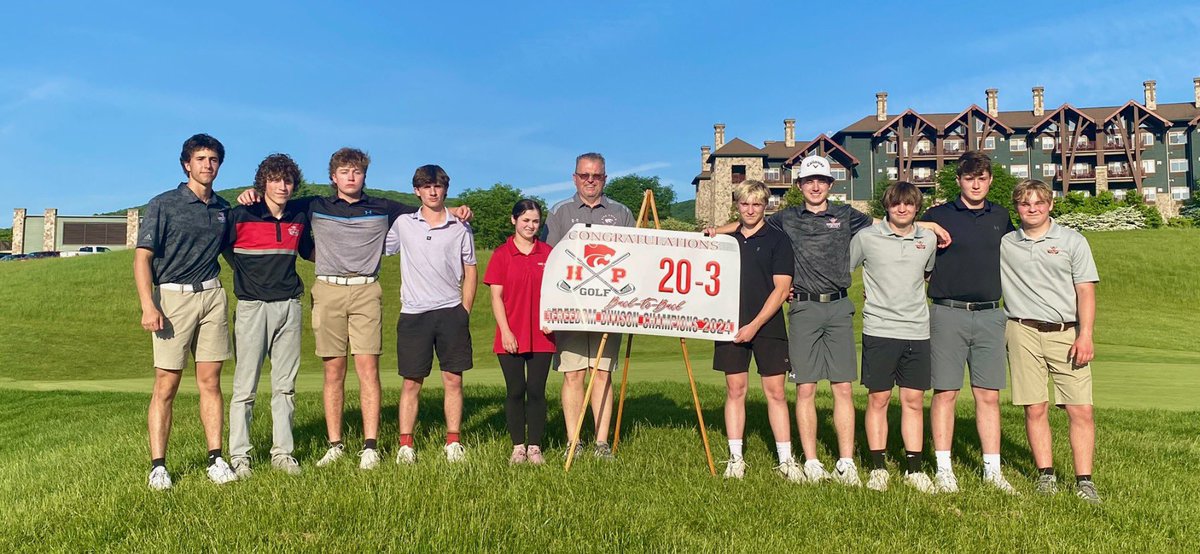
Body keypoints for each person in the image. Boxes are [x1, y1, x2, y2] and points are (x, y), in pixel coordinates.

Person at [708, 156, 950, 485]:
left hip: (838, 307)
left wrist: (928, 226)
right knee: (805, 388)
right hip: (804, 307)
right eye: (809, 181)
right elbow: (749, 223)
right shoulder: (787, 218)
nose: (815, 186)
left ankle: (846, 462)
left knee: (843, 388)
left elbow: (890, 221)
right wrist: (715, 232)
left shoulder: (846, 214)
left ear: (830, 184)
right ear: (799, 185)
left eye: (821, 180)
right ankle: (811, 461)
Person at [236, 148, 472, 470]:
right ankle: (335, 445)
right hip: (328, 290)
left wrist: (456, 209)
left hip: (366, 291)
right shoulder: (314, 205)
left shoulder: (383, 207)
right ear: (333, 177)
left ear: (364, 176)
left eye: (357, 172)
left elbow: (427, 209)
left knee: (367, 370)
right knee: (333, 371)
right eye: (344, 172)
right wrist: (249, 194)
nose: (351, 177)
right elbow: (275, 201)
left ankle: (370, 446)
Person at [136, 133, 236, 490]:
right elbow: (142, 258)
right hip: (172, 299)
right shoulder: (163, 204)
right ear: (186, 164)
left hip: (212, 296)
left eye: (214, 160)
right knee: (167, 383)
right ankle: (158, 467)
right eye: (201, 159)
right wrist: (148, 304)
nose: (208, 165)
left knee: (211, 381)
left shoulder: (223, 208)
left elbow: (232, 253)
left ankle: (216, 458)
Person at [922, 151, 1017, 494]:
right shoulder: (939, 215)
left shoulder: (1001, 215)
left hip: (991, 314)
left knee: (988, 395)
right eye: (969, 179)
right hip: (948, 313)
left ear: (990, 180)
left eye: (982, 179)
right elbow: (899, 227)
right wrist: (927, 226)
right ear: (959, 181)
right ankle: (944, 470)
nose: (976, 185)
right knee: (945, 392)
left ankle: (993, 471)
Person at [1000, 179, 1101, 503]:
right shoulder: (1006, 243)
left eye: (1039, 203)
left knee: (1080, 409)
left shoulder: (1073, 240)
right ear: (1017, 207)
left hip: (1067, 333)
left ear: (1050, 205)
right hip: (1022, 331)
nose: (1032, 209)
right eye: (1025, 203)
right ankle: (1046, 475)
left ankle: (1084, 481)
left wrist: (1086, 334)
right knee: (1035, 407)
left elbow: (1085, 290)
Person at [544, 152, 635, 459]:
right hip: (570, 308)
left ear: (605, 178)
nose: (590, 181)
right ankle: (574, 441)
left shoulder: (621, 212)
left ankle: (601, 443)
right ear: (575, 178)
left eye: (596, 175)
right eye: (585, 175)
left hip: (609, 308)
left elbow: (635, 259)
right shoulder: (559, 212)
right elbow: (549, 260)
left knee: (602, 373)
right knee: (573, 374)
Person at [225, 153, 311, 478]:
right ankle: (240, 457)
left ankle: (283, 454)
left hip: (289, 306)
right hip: (252, 308)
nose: (282, 186)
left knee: (285, 386)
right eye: (275, 180)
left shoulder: (298, 216)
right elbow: (220, 248)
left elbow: (310, 246)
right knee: (245, 388)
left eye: (287, 180)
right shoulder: (241, 214)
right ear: (263, 184)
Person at [385, 164, 477, 464]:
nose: (433, 192)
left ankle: (453, 442)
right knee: (411, 382)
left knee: (453, 379)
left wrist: (464, 310)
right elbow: (380, 248)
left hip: (451, 311)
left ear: (445, 189)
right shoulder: (403, 223)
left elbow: (470, 269)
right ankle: (405, 445)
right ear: (417, 191)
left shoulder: (460, 225)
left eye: (437, 186)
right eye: (426, 186)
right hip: (414, 314)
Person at [851, 181, 938, 494]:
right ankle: (878, 468)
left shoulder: (927, 239)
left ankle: (914, 469)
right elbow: (844, 269)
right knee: (879, 399)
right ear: (886, 206)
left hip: (917, 329)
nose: (902, 209)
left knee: (913, 400)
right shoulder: (866, 237)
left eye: (909, 204)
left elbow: (926, 274)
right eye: (896, 203)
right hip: (879, 329)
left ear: (917, 208)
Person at [712, 181, 796, 480]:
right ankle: (736, 458)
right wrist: (714, 231)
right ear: (737, 205)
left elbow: (782, 289)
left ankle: (786, 460)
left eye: (757, 204)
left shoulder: (778, 239)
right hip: (729, 323)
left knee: (776, 392)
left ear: (765, 206)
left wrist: (755, 325)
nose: (750, 210)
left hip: (767, 324)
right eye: (745, 204)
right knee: (735, 390)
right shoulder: (725, 239)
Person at [484, 199, 555, 465]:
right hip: (510, 333)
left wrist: (552, 318)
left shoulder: (548, 253)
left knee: (536, 391)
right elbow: (496, 297)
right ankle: (518, 447)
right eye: (525, 220)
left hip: (542, 335)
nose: (530, 225)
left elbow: (557, 291)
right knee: (515, 390)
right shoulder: (501, 254)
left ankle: (535, 446)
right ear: (513, 220)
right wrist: (505, 331)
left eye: (535, 221)